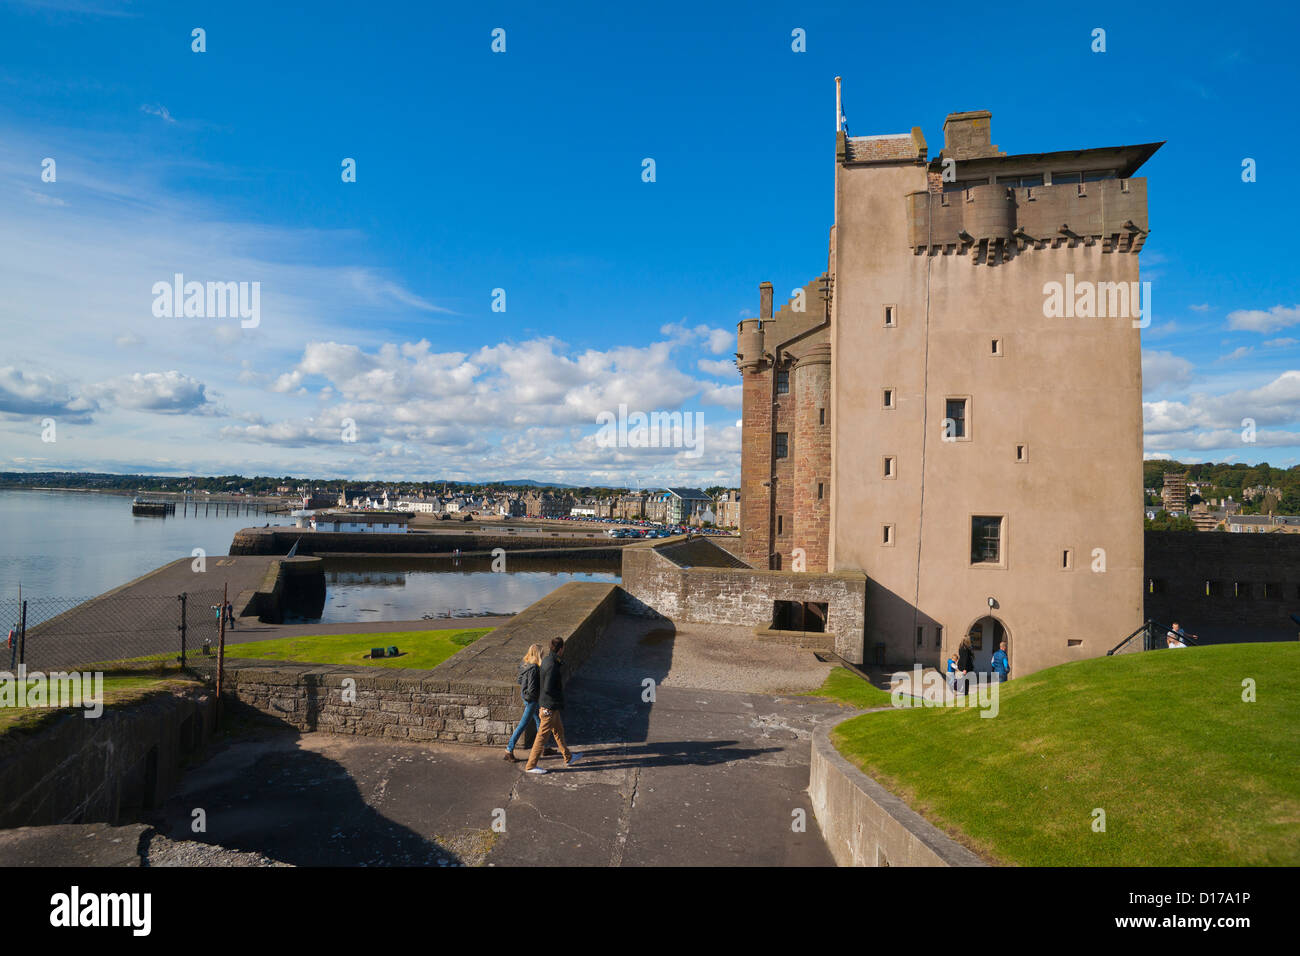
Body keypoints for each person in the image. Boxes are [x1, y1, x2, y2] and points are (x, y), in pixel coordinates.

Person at [524, 637, 583, 774]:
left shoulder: (547, 660)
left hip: (550, 706)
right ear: (561, 649)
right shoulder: (552, 665)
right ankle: (531, 766)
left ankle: (568, 757)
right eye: (564, 648)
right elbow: (549, 688)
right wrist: (557, 699)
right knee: (541, 738)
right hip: (549, 708)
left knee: (559, 731)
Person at [504, 644, 543, 763]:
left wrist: (525, 691)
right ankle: (508, 750)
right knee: (523, 725)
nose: (543, 655)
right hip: (531, 699)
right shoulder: (534, 668)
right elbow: (532, 689)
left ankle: (543, 747)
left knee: (539, 721)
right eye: (542, 653)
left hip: (525, 696)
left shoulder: (524, 664)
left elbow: (520, 680)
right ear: (538, 654)